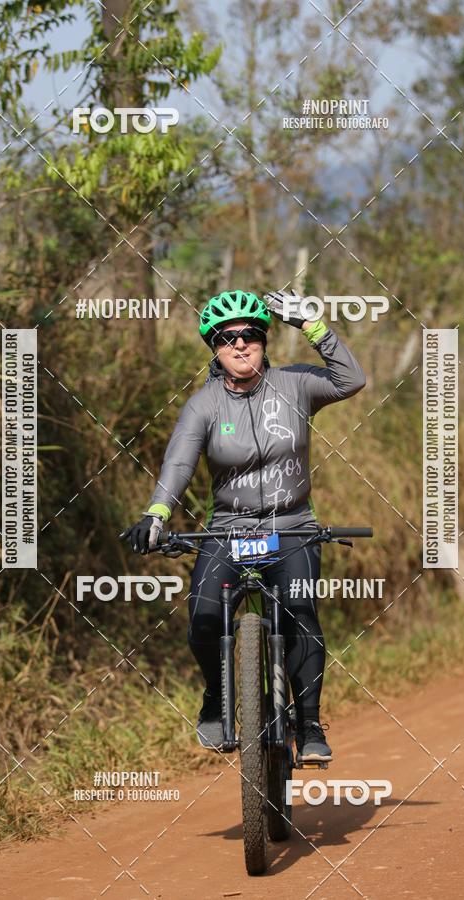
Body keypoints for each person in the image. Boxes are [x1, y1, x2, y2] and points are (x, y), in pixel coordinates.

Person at [123, 289, 366, 762]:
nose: (239, 344)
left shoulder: (295, 384)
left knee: (300, 612)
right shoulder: (204, 405)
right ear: (213, 348)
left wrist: (313, 326)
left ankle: (309, 724)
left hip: (291, 525)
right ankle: (217, 698)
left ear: (264, 340)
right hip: (229, 529)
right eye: (226, 337)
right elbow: (178, 463)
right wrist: (157, 513)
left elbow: (351, 379)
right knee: (203, 616)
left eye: (250, 334)